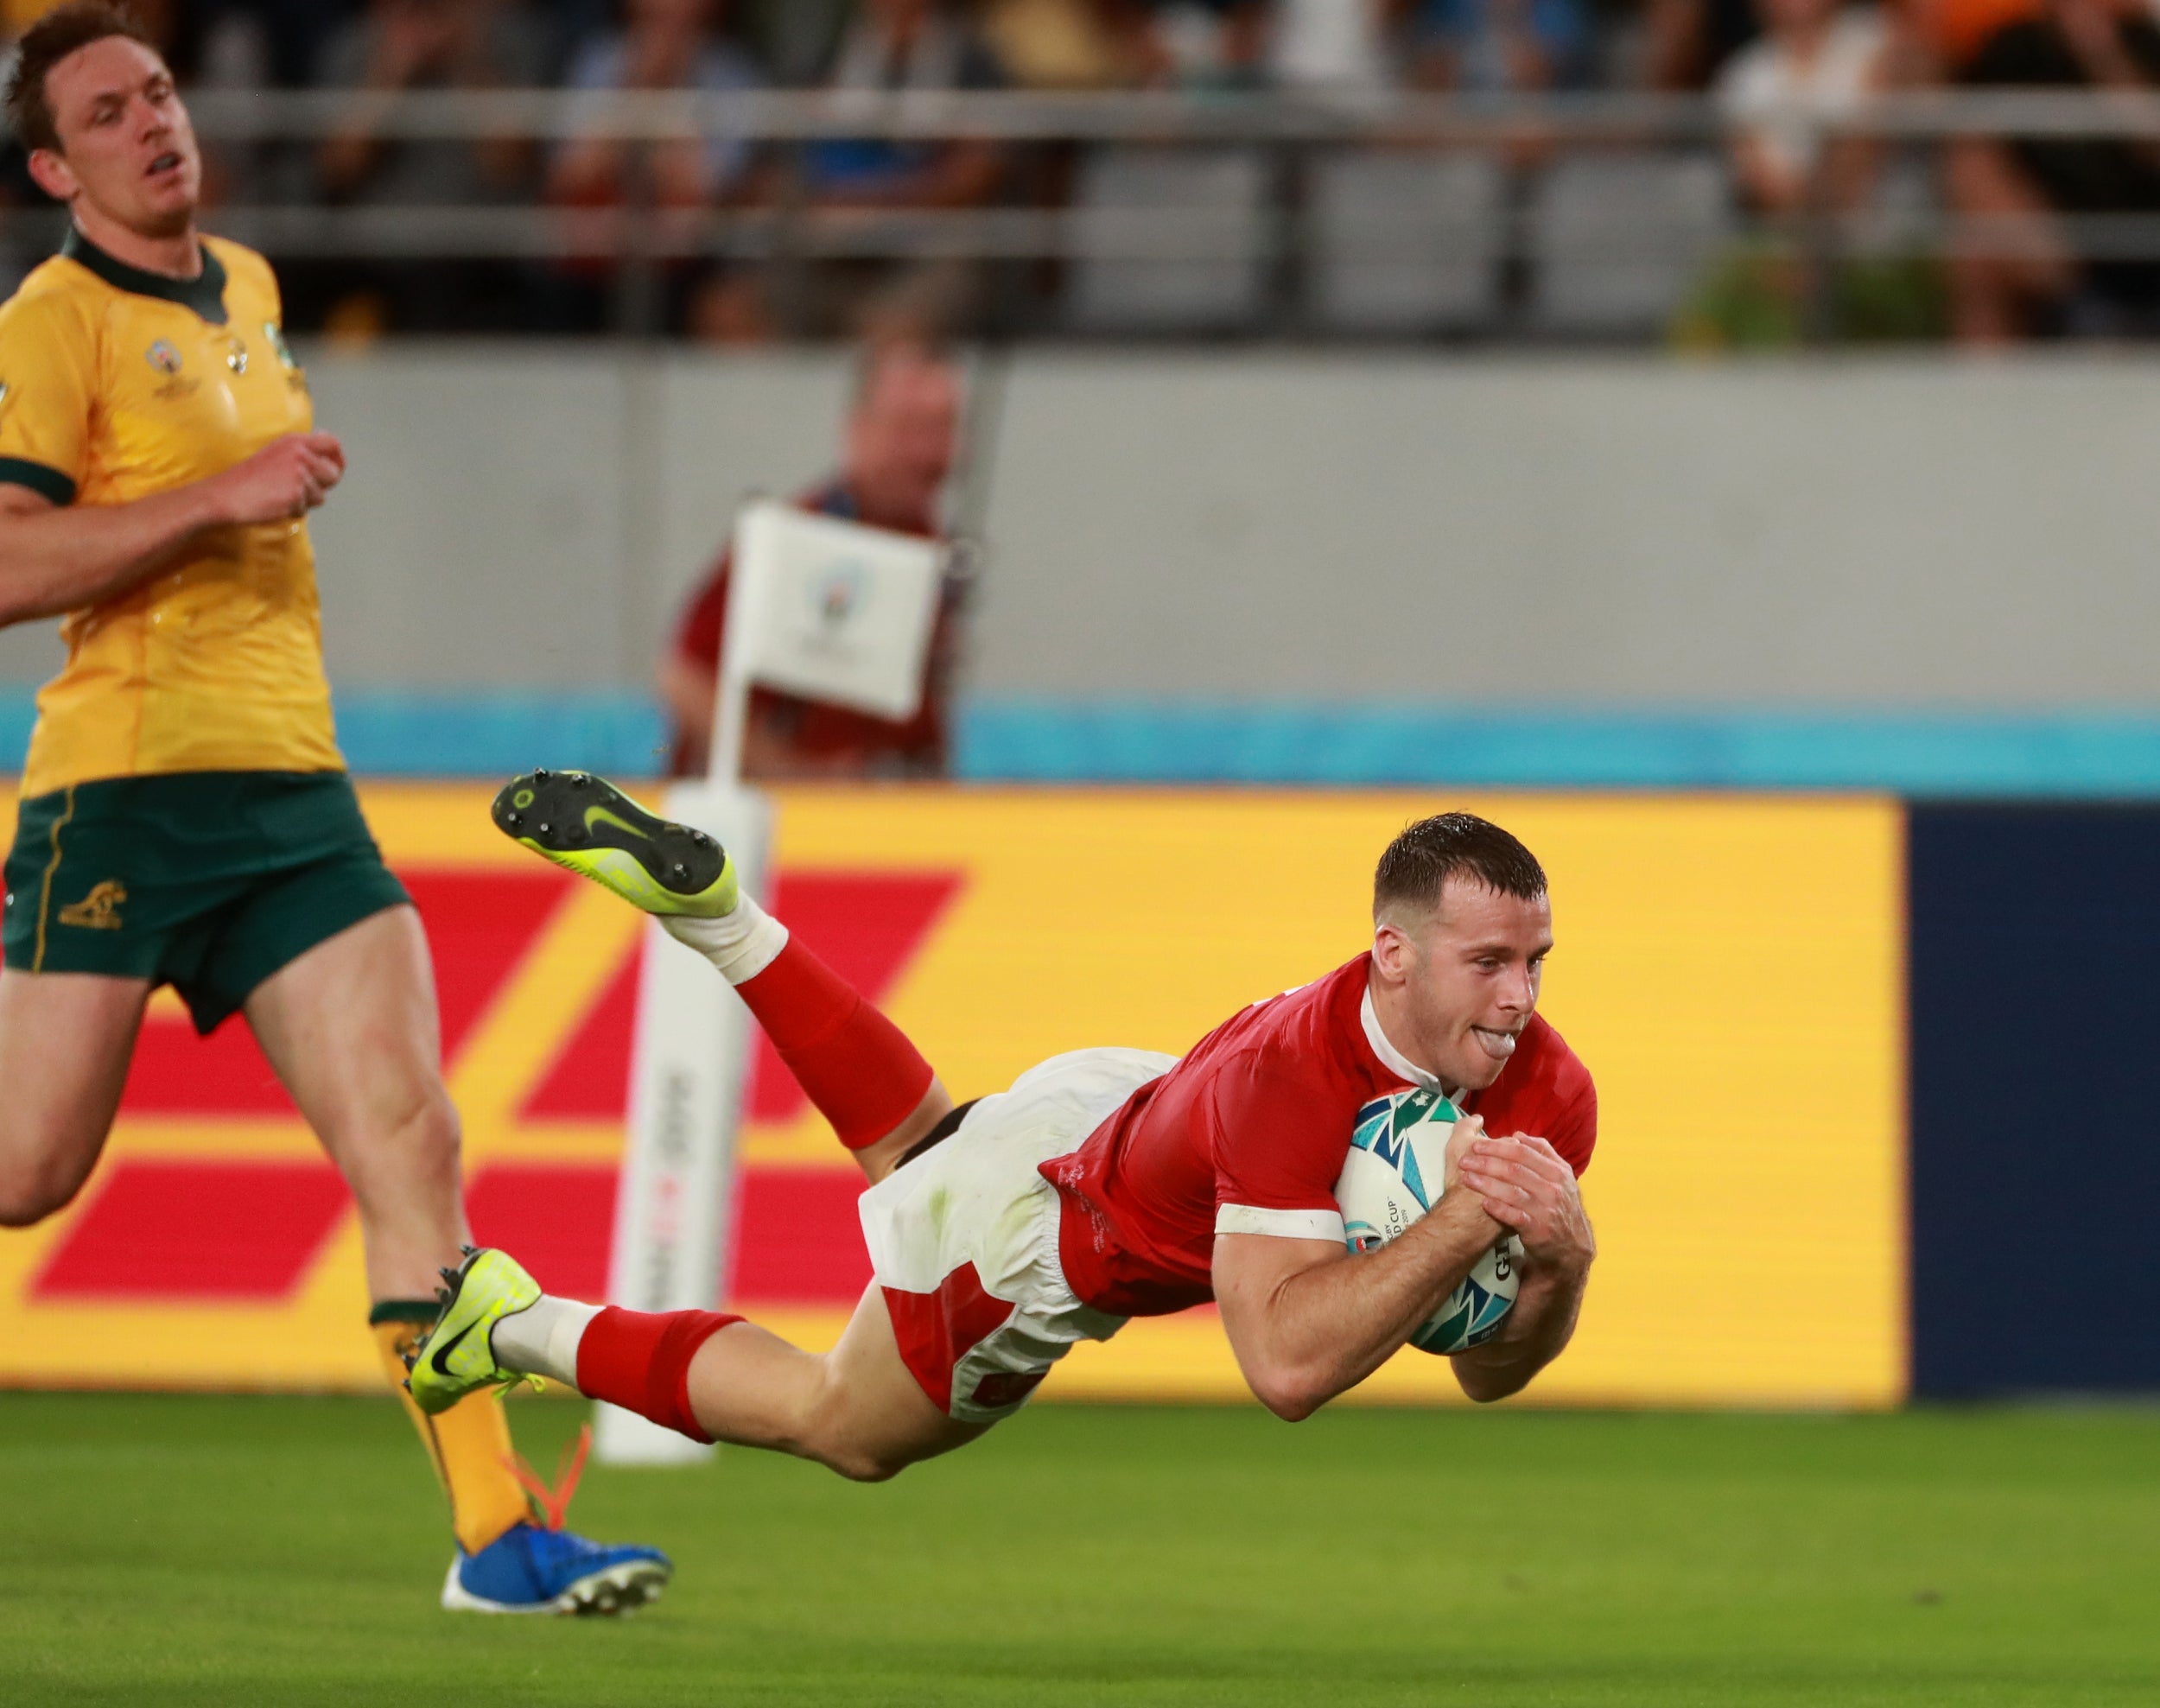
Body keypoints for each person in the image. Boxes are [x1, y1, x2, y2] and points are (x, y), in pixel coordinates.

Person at [0, 4, 669, 1615]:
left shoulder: (246, 283)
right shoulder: (49, 320)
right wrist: (214, 497)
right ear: (53, 167)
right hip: (125, 796)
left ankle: (498, 1538)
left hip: (295, 795)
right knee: (27, 1171)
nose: (153, 121)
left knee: (412, 1143)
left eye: (157, 90)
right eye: (107, 112)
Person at [409, 773, 1598, 1484]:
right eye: (1487, 962)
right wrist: (1461, 1221)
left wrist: (1558, 1265)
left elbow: (1490, 1369)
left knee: (924, 1146)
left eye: (1535, 961)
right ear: (1392, 955)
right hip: (1043, 1234)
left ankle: (724, 920)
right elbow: (1285, 1369)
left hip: (1120, 1104)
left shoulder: (1548, 1088)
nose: (1520, 997)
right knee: (842, 1423)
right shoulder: (1298, 1080)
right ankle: (515, 1321)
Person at [659, 340, 967, 778]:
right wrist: (797, 775)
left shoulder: (928, 545)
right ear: (857, 430)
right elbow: (685, 678)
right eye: (908, 429)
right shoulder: (800, 537)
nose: (927, 454)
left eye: (943, 429)